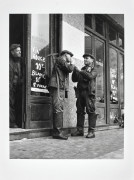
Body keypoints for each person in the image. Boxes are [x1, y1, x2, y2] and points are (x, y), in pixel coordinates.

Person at [48, 50, 75, 140]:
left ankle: (58, 131)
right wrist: (72, 63)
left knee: (59, 108)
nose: (70, 58)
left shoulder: (61, 61)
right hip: (57, 86)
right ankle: (57, 132)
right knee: (58, 107)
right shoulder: (60, 59)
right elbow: (70, 69)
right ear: (65, 55)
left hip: (59, 86)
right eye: (70, 56)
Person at [71, 53, 98, 138]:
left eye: (87, 58)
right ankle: (79, 130)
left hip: (89, 93)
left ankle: (91, 131)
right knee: (79, 111)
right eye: (84, 58)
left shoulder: (94, 69)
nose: (85, 60)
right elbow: (74, 79)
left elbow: (90, 76)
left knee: (91, 111)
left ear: (92, 60)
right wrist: (75, 71)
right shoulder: (82, 69)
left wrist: (80, 71)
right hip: (80, 92)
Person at [9, 44, 23, 128]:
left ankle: (14, 122)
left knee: (15, 104)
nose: (20, 52)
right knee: (10, 104)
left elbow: (20, 75)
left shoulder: (20, 62)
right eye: (18, 51)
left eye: (20, 51)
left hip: (16, 87)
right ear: (12, 52)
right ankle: (11, 122)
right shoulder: (7, 61)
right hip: (9, 86)